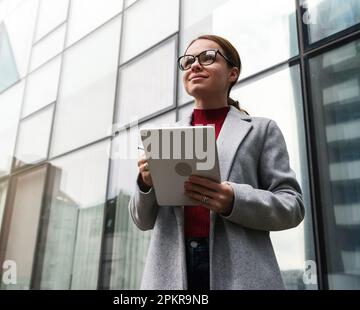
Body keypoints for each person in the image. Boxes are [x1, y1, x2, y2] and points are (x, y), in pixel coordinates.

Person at [128, 35, 304, 290]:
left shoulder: (261, 130)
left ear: (233, 73)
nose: (195, 66)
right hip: (171, 275)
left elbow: (293, 206)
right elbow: (142, 221)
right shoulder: (165, 138)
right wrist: (145, 183)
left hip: (241, 274)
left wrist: (235, 199)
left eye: (207, 57)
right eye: (187, 62)